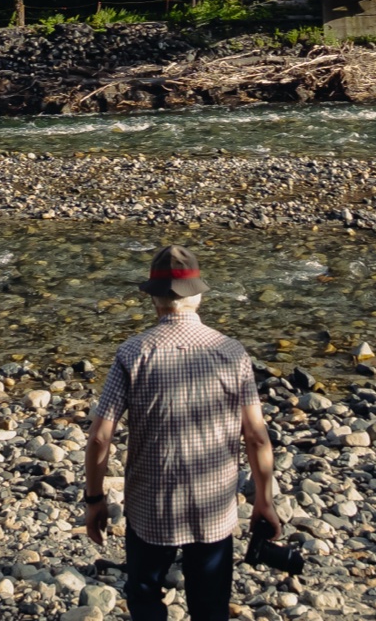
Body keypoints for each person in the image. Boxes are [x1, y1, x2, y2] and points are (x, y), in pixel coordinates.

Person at [84, 247, 281, 621]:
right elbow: (256, 436)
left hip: (150, 505)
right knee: (210, 605)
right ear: (199, 295)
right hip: (214, 507)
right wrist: (264, 500)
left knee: (144, 595)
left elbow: (99, 438)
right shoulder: (232, 351)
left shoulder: (133, 352)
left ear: (154, 300)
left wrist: (94, 500)